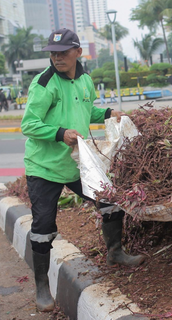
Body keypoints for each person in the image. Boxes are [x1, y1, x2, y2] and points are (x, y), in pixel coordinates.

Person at [21, 28, 146, 312]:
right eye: (53, 53)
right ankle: (42, 286)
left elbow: (85, 110)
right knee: (43, 228)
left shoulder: (85, 80)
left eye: (63, 52)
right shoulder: (44, 83)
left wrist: (108, 113)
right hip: (44, 167)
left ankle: (115, 253)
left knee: (111, 201)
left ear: (78, 52)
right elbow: (29, 123)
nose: (57, 57)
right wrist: (60, 133)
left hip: (78, 163)